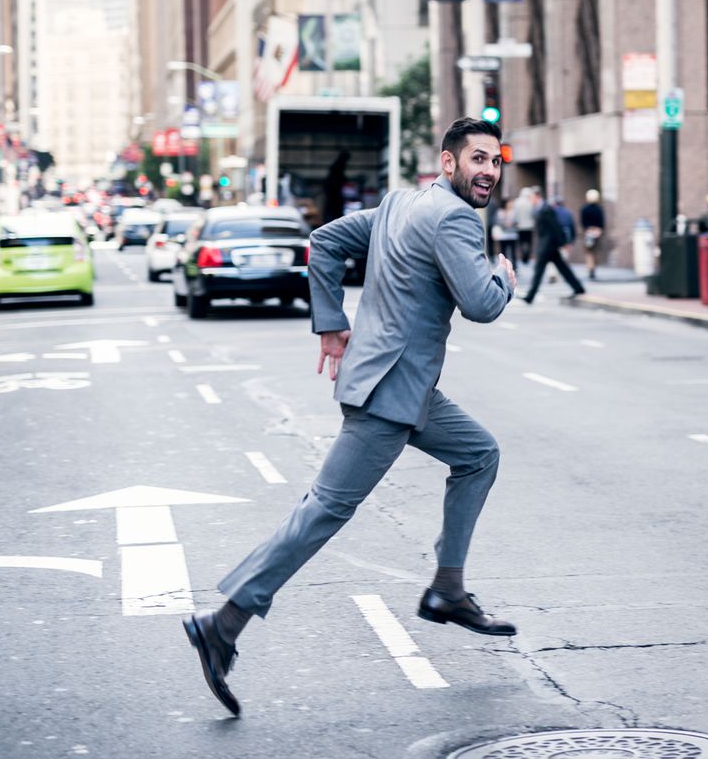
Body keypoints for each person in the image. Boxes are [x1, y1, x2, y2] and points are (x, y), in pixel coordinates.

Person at [182, 117, 519, 717]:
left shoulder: (398, 204)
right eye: (478, 159)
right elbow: (480, 303)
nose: (489, 171)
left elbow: (325, 242)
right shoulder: (456, 218)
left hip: (402, 387)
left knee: (478, 454)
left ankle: (447, 588)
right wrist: (503, 277)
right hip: (390, 395)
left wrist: (331, 323)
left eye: (496, 160)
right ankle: (223, 623)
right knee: (323, 511)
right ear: (448, 163)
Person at [520, 188, 586, 304]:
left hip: (547, 246)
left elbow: (555, 226)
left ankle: (530, 296)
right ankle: (578, 288)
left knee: (539, 271)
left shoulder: (546, 208)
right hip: (547, 246)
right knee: (563, 268)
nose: (530, 200)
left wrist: (563, 243)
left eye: (531, 197)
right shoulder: (539, 208)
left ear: (537, 196)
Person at [579, 189, 604, 281]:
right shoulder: (599, 209)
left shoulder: (585, 208)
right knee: (594, 250)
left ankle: (591, 267)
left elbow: (583, 221)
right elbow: (602, 221)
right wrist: (599, 230)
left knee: (589, 251)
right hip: (596, 232)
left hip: (589, 232)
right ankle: (593, 268)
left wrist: (587, 229)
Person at [512, 186, 537, 264]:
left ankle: (523, 256)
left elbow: (515, 214)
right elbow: (533, 214)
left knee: (521, 242)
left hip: (520, 226)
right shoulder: (530, 202)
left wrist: (515, 222)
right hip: (529, 226)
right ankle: (527, 257)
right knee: (529, 242)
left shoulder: (517, 202)